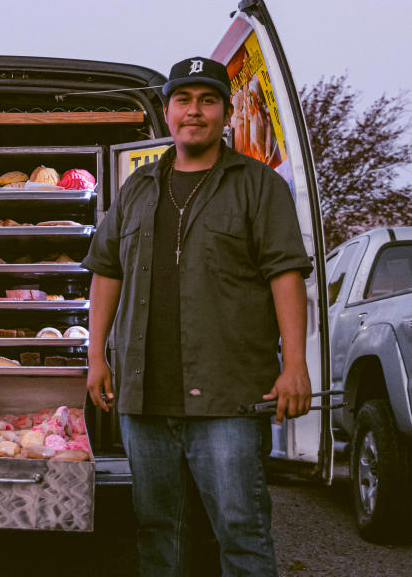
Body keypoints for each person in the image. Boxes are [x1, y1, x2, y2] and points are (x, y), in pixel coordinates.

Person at [83, 56, 313, 576]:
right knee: (158, 529)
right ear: (167, 113)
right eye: (183, 100)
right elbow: (107, 271)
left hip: (227, 394)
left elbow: (286, 274)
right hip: (144, 396)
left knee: (241, 530)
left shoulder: (257, 185)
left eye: (208, 100)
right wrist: (96, 355)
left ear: (226, 114)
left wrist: (294, 364)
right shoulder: (138, 188)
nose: (195, 111)